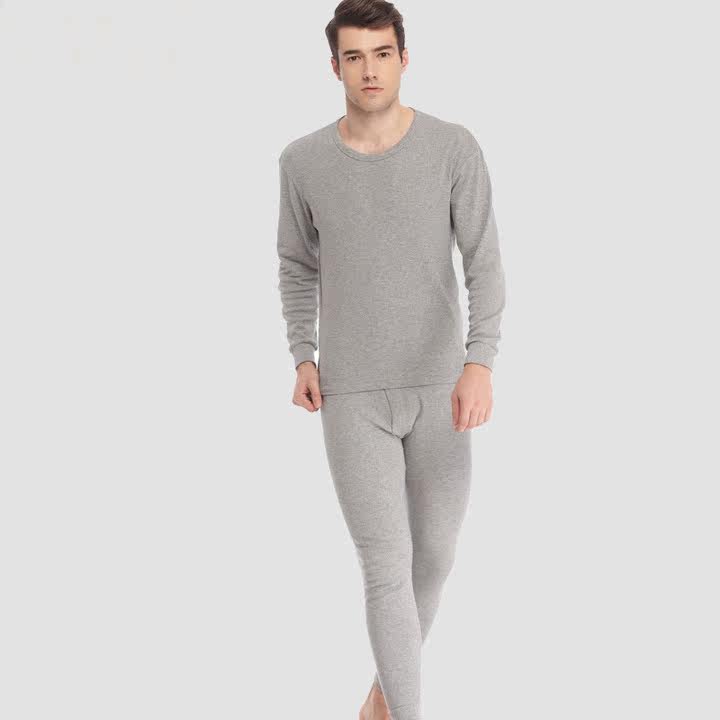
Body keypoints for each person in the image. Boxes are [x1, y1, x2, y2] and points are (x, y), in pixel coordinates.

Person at [276, 2, 506, 718]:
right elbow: (295, 264)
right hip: (351, 396)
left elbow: (484, 261)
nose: (369, 70)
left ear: (404, 59)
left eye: (381, 53)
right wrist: (302, 353)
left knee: (433, 557)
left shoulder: (452, 147)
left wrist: (480, 361)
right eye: (354, 56)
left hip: (441, 388)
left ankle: (379, 701)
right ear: (335, 67)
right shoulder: (303, 162)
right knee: (384, 567)